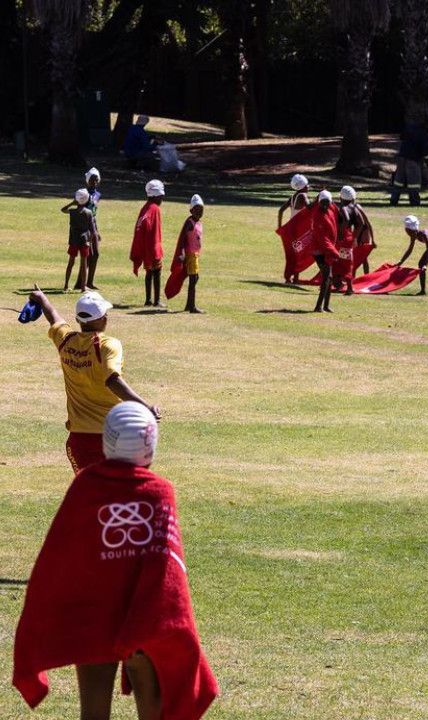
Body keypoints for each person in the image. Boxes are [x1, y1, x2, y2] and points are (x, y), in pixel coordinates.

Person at [13, 402, 218, 720]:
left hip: (93, 620)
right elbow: (167, 570)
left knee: (92, 715)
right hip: (144, 619)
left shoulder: (85, 486)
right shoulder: (159, 492)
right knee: (153, 713)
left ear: (106, 440)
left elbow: (61, 555)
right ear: (151, 443)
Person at [28, 287, 161, 472]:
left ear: (78, 320)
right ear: (101, 319)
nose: (107, 316)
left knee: (89, 495)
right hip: (112, 438)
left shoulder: (66, 341)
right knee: (116, 494)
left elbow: (54, 318)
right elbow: (112, 380)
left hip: (78, 441)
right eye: (105, 314)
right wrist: (145, 408)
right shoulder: (108, 345)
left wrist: (42, 300)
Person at [131, 180, 165, 308]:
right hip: (153, 247)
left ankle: (148, 300)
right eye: (161, 196)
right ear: (155, 196)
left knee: (149, 272)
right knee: (157, 272)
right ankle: (156, 301)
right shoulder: (155, 209)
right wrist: (155, 248)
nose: (162, 198)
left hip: (147, 247)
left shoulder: (145, 208)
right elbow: (152, 229)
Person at [397, 215, 428, 297]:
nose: (407, 232)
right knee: (420, 264)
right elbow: (410, 250)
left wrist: (426, 265)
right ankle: (423, 291)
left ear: (411, 230)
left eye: (408, 231)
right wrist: (401, 262)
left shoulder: (424, 234)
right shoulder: (413, 236)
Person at [336, 185, 373, 295]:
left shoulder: (344, 208)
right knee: (349, 261)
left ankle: (347, 285)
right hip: (352, 237)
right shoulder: (354, 208)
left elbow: (350, 220)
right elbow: (361, 223)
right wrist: (354, 236)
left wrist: (345, 234)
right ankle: (348, 284)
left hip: (348, 238)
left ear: (341, 198)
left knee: (342, 261)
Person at [309, 190, 341, 313]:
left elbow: (339, 214)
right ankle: (318, 307)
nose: (324, 205)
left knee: (330, 278)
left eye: (327, 202)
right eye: (322, 202)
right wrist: (334, 252)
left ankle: (326, 306)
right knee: (327, 277)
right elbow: (322, 239)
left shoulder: (331, 209)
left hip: (327, 249)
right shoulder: (318, 216)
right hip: (319, 251)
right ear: (319, 202)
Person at [61, 189, 96, 293]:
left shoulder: (72, 212)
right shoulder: (89, 213)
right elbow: (92, 231)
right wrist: (89, 241)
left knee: (71, 262)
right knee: (84, 264)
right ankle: (83, 287)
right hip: (84, 241)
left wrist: (72, 202)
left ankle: (66, 285)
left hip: (73, 240)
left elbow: (63, 209)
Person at [277, 174, 310, 284]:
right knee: (299, 252)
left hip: (290, 228)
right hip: (298, 230)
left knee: (291, 253)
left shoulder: (293, 196)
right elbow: (310, 208)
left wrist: (280, 226)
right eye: (307, 185)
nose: (309, 187)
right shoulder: (303, 196)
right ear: (303, 186)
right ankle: (295, 278)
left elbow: (281, 210)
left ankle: (288, 277)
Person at [389, 122, 428, 206]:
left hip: (401, 157)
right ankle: (414, 201)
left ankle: (394, 200)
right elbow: (425, 150)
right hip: (412, 160)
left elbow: (402, 137)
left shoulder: (409, 128)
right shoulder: (423, 134)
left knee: (398, 181)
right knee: (414, 182)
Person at [176, 194, 205, 314]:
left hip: (195, 254)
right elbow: (183, 238)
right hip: (191, 254)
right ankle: (192, 306)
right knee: (193, 279)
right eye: (196, 209)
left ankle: (189, 304)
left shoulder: (198, 222)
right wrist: (182, 252)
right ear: (191, 210)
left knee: (195, 278)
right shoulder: (190, 222)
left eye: (201, 209)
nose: (199, 212)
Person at [84, 167, 102, 289]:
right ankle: (81, 282)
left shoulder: (98, 195)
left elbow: (94, 214)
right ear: (87, 180)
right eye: (92, 180)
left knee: (95, 254)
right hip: (85, 227)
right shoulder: (83, 194)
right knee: (86, 255)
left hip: (93, 226)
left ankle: (89, 282)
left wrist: (97, 230)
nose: (94, 182)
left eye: (96, 180)